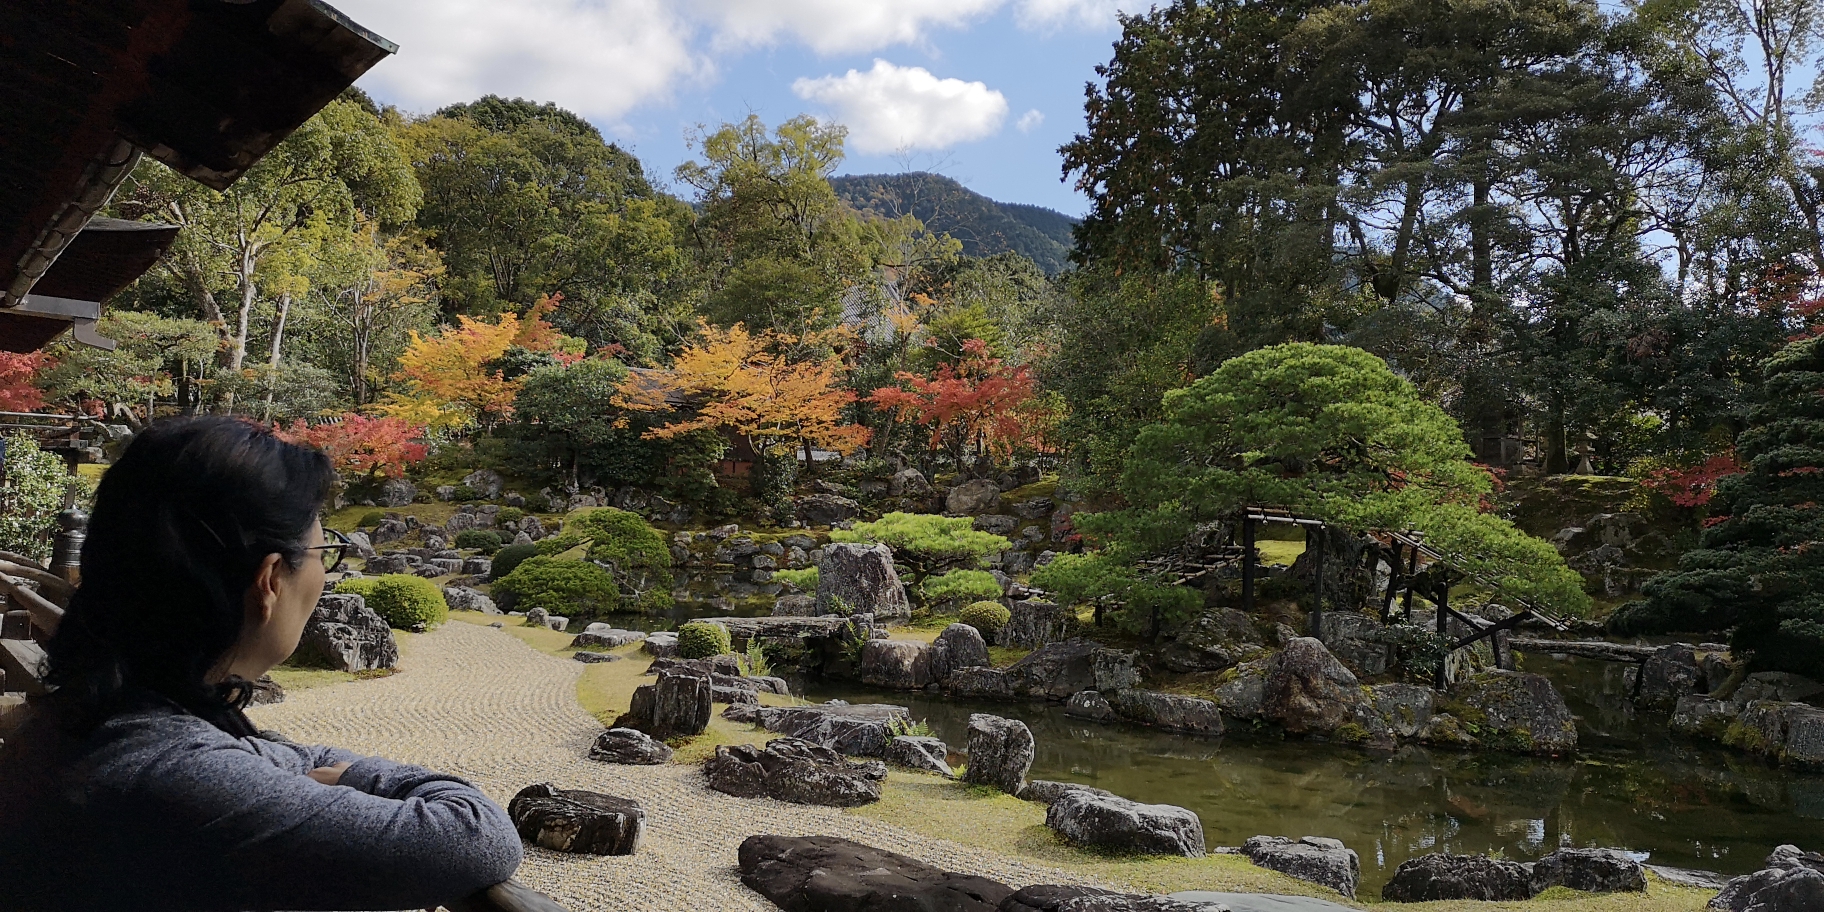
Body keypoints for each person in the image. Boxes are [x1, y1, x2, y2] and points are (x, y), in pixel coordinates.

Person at [0, 417, 523, 911]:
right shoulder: (168, 773)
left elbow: (263, 753)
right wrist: (353, 774)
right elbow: (477, 835)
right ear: (271, 579)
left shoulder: (85, 719)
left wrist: (295, 766)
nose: (323, 574)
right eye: (325, 552)